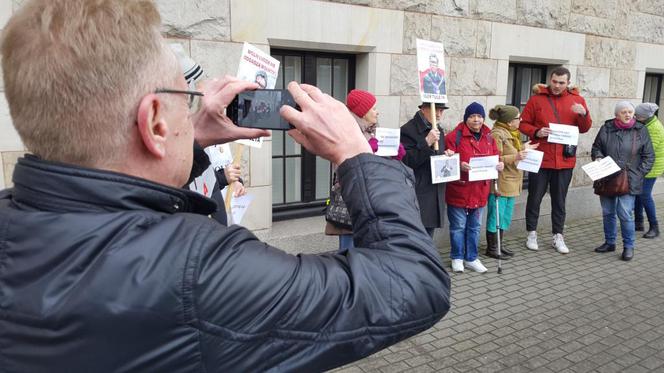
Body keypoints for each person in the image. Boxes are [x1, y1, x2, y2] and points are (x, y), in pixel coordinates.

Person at [0, 1, 451, 372]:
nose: (193, 112)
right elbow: (414, 283)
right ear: (155, 121)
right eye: (187, 99)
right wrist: (355, 155)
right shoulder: (197, 270)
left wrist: (187, 140)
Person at [519, 67, 593, 254]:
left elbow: (584, 128)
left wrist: (583, 114)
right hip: (541, 159)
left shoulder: (578, 100)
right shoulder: (536, 99)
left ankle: (558, 236)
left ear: (568, 83)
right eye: (555, 82)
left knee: (559, 200)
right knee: (534, 198)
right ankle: (531, 233)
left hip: (564, 161)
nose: (557, 86)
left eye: (562, 83)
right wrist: (537, 131)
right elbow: (523, 123)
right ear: (550, 80)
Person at [325, 89, 405, 250]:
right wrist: (370, 149)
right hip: (352, 200)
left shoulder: (373, 131)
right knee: (350, 250)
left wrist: (393, 150)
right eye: (373, 108)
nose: (377, 112)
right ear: (362, 111)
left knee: (366, 250)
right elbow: (347, 165)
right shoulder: (346, 132)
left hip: (371, 198)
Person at [444, 102, 504, 273]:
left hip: (480, 190)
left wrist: (499, 165)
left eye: (479, 116)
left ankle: (471, 258)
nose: (476, 120)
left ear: (483, 118)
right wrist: (458, 164)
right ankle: (456, 257)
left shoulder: (489, 137)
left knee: (475, 227)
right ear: (466, 118)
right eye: (472, 116)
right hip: (460, 189)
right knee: (458, 227)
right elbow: (445, 163)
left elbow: (496, 157)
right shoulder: (453, 137)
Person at [591, 101, 654, 261]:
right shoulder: (606, 128)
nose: (627, 115)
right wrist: (598, 156)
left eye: (630, 112)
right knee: (608, 212)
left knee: (625, 214)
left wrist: (639, 173)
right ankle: (610, 242)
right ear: (616, 114)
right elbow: (596, 147)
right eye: (623, 112)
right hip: (606, 177)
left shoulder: (641, 130)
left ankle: (628, 246)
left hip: (630, 178)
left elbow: (649, 156)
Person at [485, 105, 539, 260]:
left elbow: (511, 151)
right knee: (496, 215)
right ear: (509, 122)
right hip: (501, 182)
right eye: (517, 118)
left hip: (512, 181)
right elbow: (495, 159)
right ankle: (492, 248)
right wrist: (516, 156)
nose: (520, 120)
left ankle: (499, 245)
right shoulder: (497, 134)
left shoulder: (511, 133)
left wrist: (523, 147)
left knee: (505, 216)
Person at [401, 102, 453, 238]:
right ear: (423, 109)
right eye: (436, 110)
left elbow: (434, 157)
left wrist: (445, 156)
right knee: (416, 240)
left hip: (434, 192)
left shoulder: (438, 130)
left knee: (428, 239)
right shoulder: (408, 130)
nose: (438, 114)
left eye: (442, 111)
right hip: (418, 193)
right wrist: (426, 142)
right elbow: (406, 161)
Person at [634, 102, 664, 238]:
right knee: (639, 194)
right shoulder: (648, 124)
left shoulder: (655, 128)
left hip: (651, 167)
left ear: (644, 117)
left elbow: (646, 149)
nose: (635, 117)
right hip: (645, 165)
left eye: (637, 116)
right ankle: (638, 222)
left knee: (645, 195)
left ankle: (654, 227)